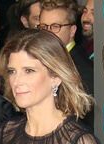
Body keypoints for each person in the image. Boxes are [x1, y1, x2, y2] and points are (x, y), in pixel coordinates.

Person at [39, 0, 93, 128]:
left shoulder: (81, 68)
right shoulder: (43, 60)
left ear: (72, 31)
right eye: (44, 27)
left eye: (55, 26)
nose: (48, 32)